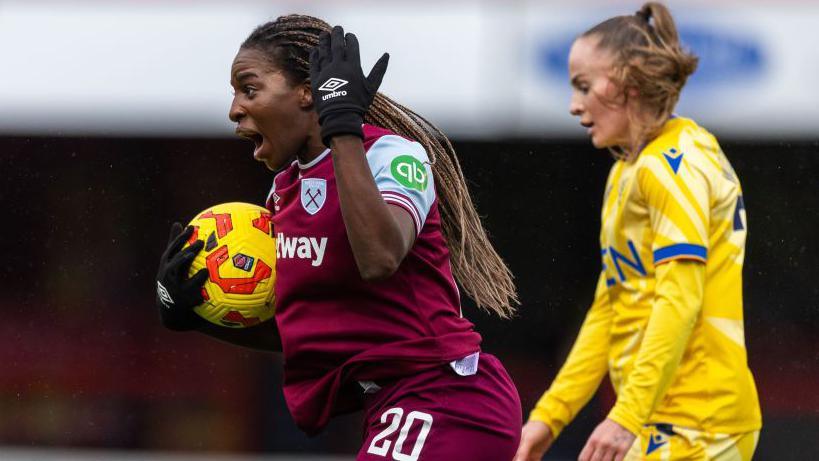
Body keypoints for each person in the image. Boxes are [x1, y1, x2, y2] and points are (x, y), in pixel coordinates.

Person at [154, 15, 522, 461]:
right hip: (394, 407)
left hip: (449, 399)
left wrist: (342, 127)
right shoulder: (282, 192)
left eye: (249, 90)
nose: (234, 108)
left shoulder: (391, 155)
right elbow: (309, 331)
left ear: (308, 93)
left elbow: (380, 257)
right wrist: (198, 315)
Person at [514, 3, 761, 461]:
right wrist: (550, 415)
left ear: (627, 81)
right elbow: (609, 307)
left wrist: (624, 418)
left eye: (584, 86)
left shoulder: (675, 166)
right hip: (660, 420)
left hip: (699, 424)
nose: (574, 104)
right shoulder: (630, 170)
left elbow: (680, 298)